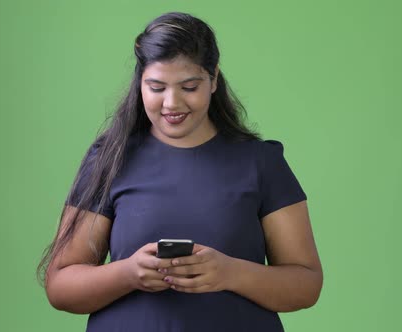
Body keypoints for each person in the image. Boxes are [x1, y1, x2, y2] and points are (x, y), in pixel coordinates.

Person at [37, 11, 323, 332]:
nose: (172, 103)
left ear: (213, 78)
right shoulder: (110, 158)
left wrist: (230, 273)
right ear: (140, 83)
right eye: (156, 87)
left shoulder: (261, 161)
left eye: (189, 86)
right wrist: (129, 273)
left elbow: (306, 283)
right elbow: (60, 286)